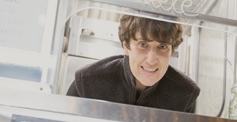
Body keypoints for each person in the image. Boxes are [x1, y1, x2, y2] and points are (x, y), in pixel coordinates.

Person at [67, 10, 200, 113]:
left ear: (172, 50)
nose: (151, 60)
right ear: (126, 46)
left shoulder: (185, 94)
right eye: (143, 44)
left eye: (162, 47)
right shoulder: (87, 81)